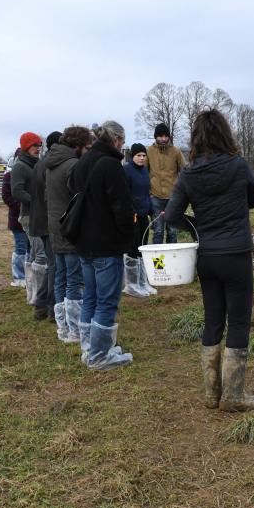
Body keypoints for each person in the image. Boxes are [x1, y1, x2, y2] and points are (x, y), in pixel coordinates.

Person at [165, 110, 254, 411]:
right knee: (239, 321)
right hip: (236, 254)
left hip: (207, 256)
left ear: (196, 138)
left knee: (213, 319)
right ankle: (234, 396)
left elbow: (171, 216)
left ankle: (211, 394)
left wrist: (198, 223)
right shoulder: (237, 166)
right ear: (225, 134)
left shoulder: (189, 173)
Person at [70, 121, 134, 370]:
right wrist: (127, 236)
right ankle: (99, 356)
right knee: (107, 300)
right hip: (106, 244)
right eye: (123, 141)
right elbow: (122, 206)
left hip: (84, 243)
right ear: (116, 140)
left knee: (91, 297)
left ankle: (91, 348)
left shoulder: (82, 162)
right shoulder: (110, 165)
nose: (123, 146)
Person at [46, 125, 93, 343]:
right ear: (78, 146)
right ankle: (74, 330)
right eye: (87, 147)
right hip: (71, 227)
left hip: (55, 226)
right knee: (74, 280)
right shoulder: (73, 165)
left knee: (60, 277)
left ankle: (62, 328)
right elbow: (80, 197)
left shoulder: (51, 164)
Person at [11, 132, 50, 319]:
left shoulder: (35, 163)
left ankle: (33, 293)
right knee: (40, 253)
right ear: (26, 147)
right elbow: (16, 191)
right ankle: (39, 297)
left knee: (35, 253)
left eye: (39, 145)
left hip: (37, 214)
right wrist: (37, 203)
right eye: (35, 145)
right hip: (29, 215)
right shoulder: (20, 166)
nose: (38, 148)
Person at [29, 131, 62, 322]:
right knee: (55, 266)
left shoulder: (41, 163)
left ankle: (41, 304)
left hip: (41, 221)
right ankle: (50, 307)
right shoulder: (50, 165)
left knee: (52, 266)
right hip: (48, 222)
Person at [122, 142, 157, 297]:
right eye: (139, 155)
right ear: (132, 156)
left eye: (144, 155)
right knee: (133, 248)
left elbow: (145, 192)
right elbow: (125, 194)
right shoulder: (126, 170)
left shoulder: (144, 171)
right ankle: (131, 284)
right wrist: (131, 211)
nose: (142, 158)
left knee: (143, 248)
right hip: (132, 216)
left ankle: (143, 281)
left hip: (144, 215)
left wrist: (151, 209)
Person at [147, 123, 185, 244]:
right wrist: (149, 192)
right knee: (158, 231)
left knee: (172, 231)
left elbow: (185, 170)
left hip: (173, 198)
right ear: (155, 137)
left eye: (165, 136)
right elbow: (144, 173)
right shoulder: (149, 151)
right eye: (160, 136)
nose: (163, 139)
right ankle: (158, 261)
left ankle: (172, 261)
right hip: (155, 197)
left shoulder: (176, 151)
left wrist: (181, 191)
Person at [1, 148, 27, 287]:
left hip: (31, 217)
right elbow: (6, 195)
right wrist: (19, 206)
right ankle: (18, 276)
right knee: (21, 247)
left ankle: (28, 276)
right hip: (16, 218)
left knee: (31, 248)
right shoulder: (9, 176)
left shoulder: (31, 172)